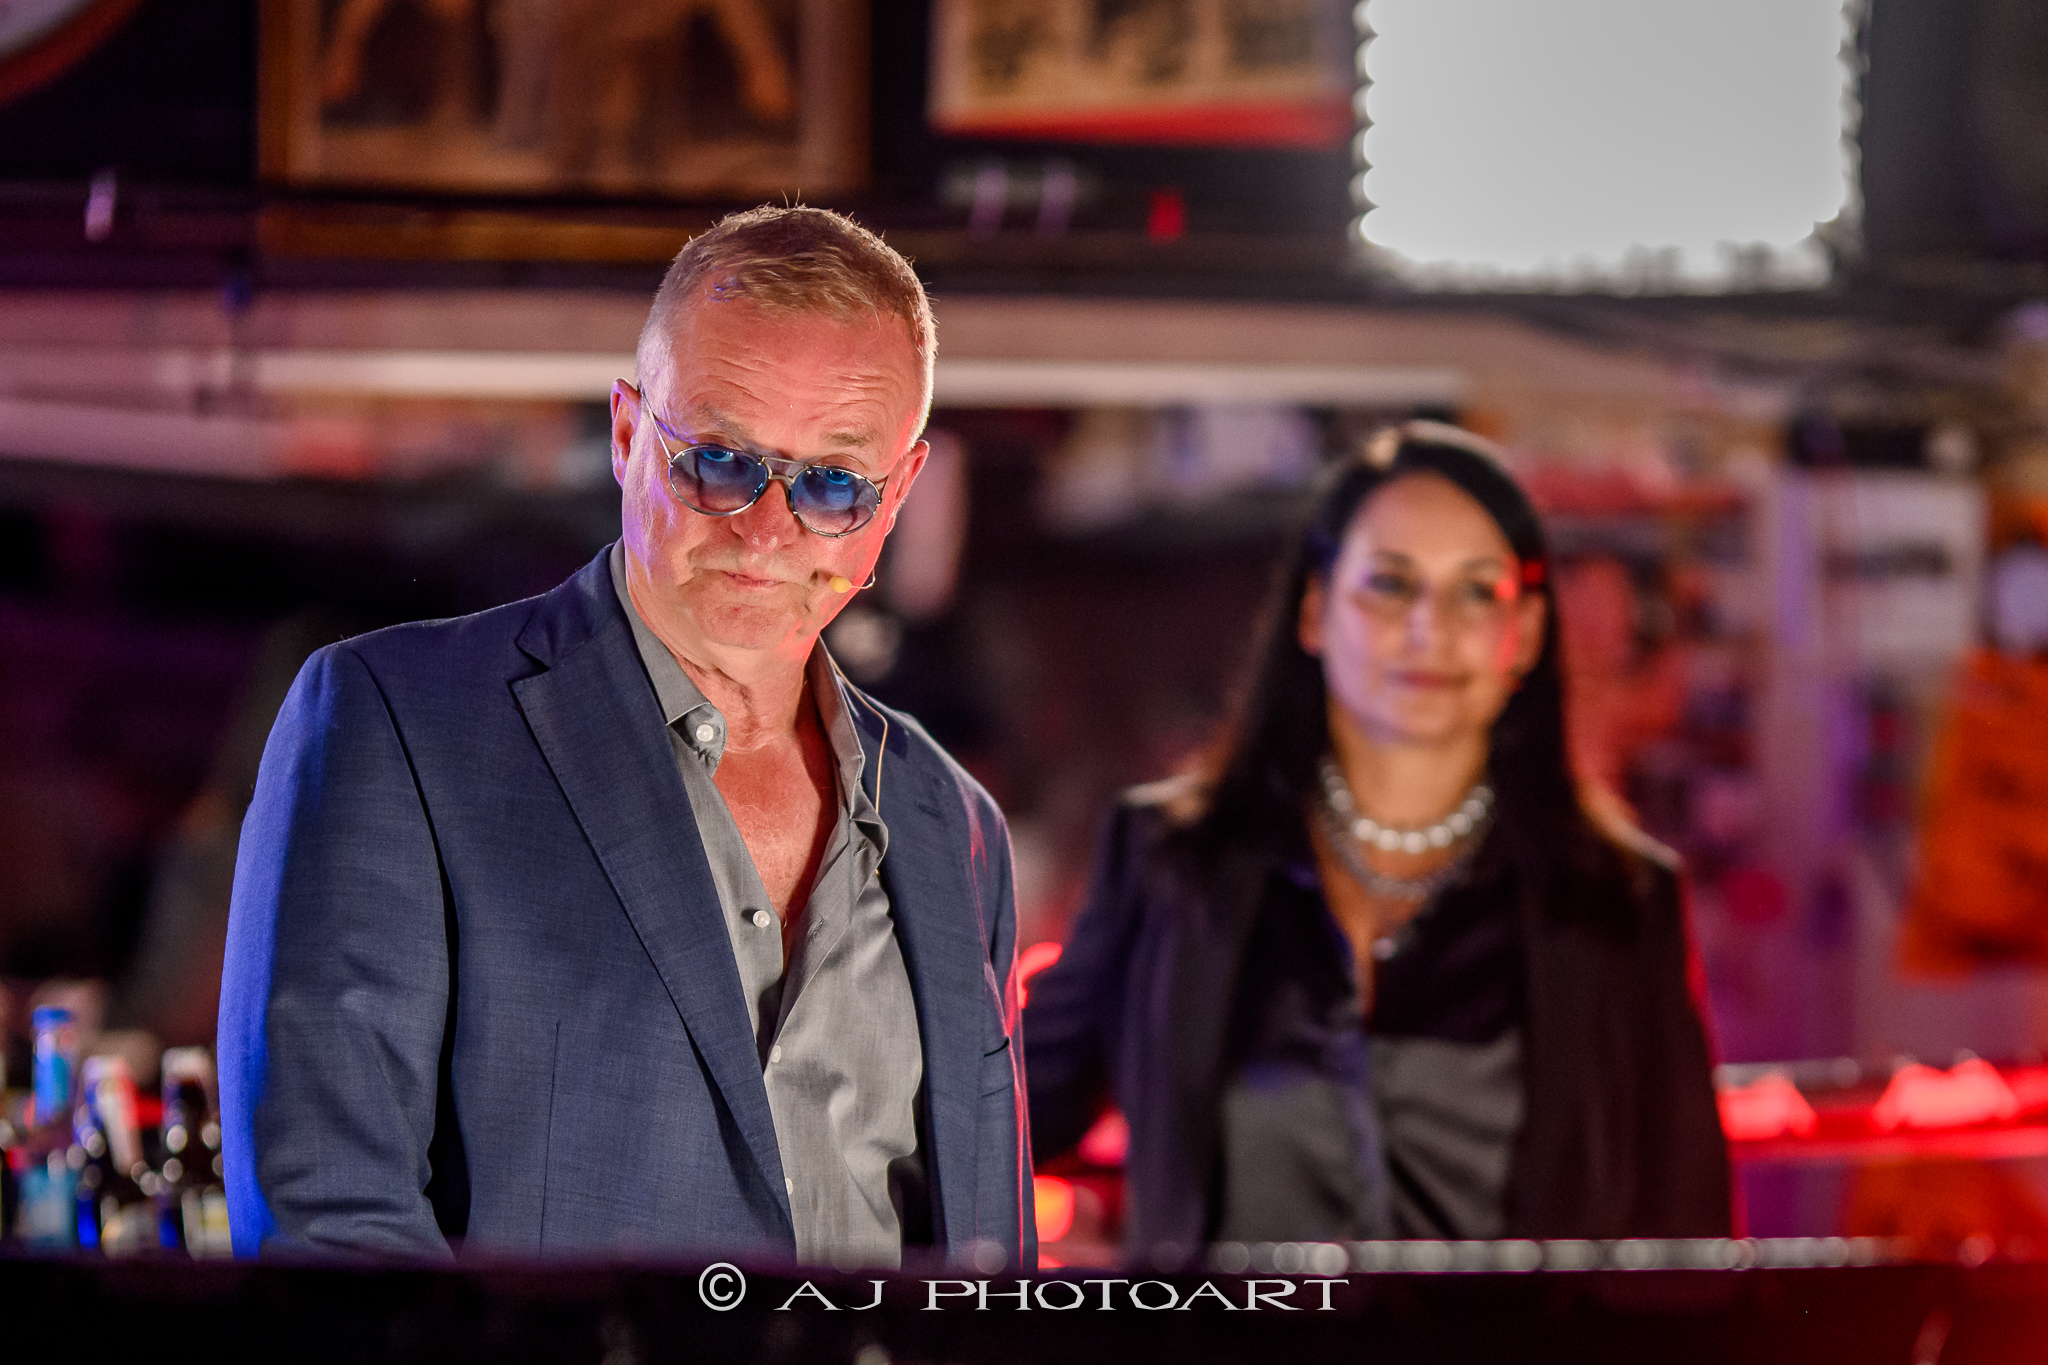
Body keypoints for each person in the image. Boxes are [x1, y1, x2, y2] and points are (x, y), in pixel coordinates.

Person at [218, 206, 1033, 1270]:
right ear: (625, 435)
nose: (766, 532)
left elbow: (991, 1271)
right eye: (719, 462)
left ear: (897, 496)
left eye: (833, 484)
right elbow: (333, 1231)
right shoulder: (393, 724)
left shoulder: (952, 822)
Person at [1024, 422, 1730, 1256]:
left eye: (1475, 592)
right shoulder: (1171, 862)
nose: (1429, 628)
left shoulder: (1617, 900)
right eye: (1390, 585)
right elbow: (994, 1122)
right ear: (1315, 611)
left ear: (1528, 632)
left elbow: (1691, 1247)